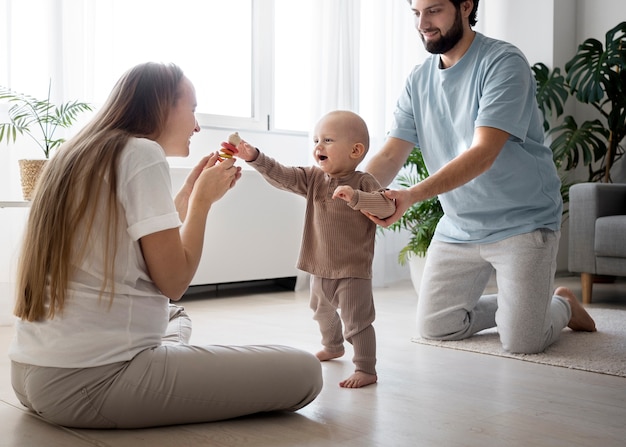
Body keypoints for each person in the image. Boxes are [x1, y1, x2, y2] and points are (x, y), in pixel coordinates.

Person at [8, 62, 322, 429]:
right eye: (192, 109)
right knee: (305, 372)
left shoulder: (78, 151)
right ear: (162, 107)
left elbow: (138, 247)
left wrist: (188, 195)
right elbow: (174, 281)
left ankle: (165, 366)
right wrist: (203, 205)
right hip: (91, 383)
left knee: (176, 316)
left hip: (30, 376)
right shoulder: (141, 153)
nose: (197, 125)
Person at [364, 0, 596, 354]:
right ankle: (519, 309)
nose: (422, 23)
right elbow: (392, 153)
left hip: (523, 222)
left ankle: (562, 304)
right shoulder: (418, 79)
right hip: (460, 226)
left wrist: (409, 196)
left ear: (465, 6)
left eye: (434, 10)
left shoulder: (503, 63)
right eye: (416, 12)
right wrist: (349, 190)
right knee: (436, 327)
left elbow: (483, 153)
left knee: (522, 342)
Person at [234, 110, 395, 388]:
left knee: (357, 322)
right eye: (316, 140)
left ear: (356, 150)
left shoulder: (364, 182)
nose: (318, 146)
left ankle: (366, 368)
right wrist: (255, 158)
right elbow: (282, 176)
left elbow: (387, 207)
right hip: (319, 264)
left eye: (328, 140)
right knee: (321, 311)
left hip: (352, 269)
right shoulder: (313, 178)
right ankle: (333, 346)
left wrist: (356, 197)